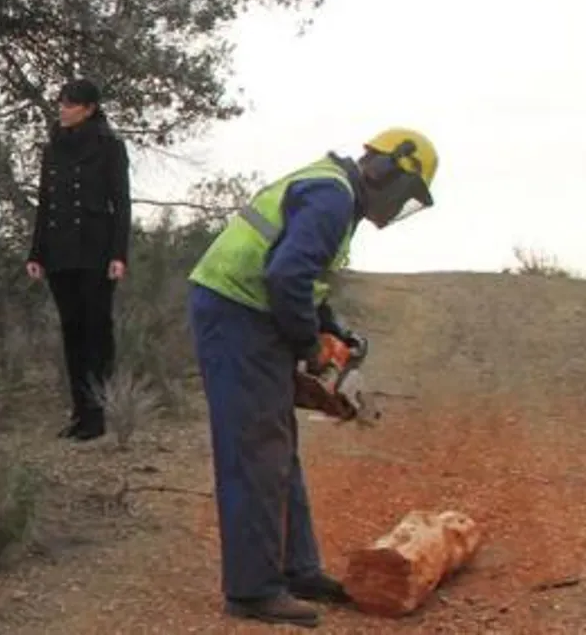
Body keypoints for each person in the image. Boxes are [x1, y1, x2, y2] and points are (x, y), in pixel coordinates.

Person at [188, 128, 439, 627]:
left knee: (277, 446)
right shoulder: (333, 195)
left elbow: (303, 278)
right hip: (236, 309)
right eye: (405, 194)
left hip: (248, 310)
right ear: (388, 169)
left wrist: (331, 329)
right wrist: (309, 347)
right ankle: (252, 590)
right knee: (255, 449)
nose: (398, 207)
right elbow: (286, 278)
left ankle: (296, 568)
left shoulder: (335, 194)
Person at [27, 78, 133, 442]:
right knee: (71, 330)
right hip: (59, 250)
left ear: (88, 108)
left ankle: (98, 410)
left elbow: (121, 204)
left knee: (96, 331)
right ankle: (78, 412)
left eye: (70, 104)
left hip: (95, 248)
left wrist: (119, 253)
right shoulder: (53, 147)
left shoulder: (109, 147)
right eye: (61, 102)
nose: (63, 109)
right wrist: (36, 251)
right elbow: (46, 200)